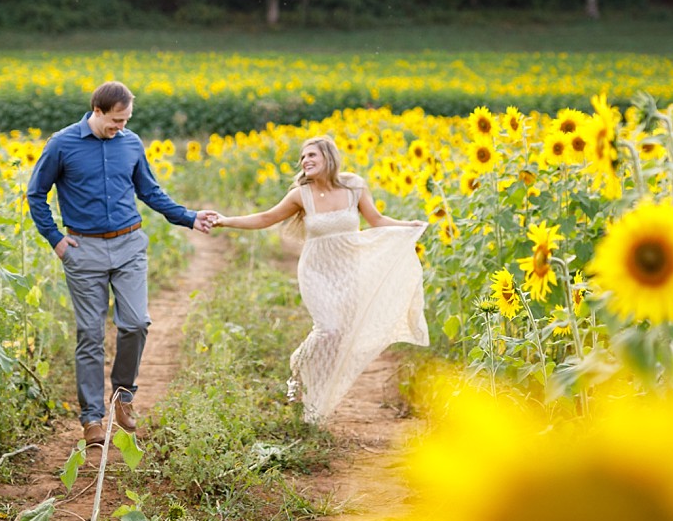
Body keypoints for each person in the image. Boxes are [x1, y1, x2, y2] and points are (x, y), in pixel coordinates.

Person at [26, 81, 219, 450]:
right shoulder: (62, 144)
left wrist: (189, 217)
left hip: (130, 245)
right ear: (97, 112)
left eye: (126, 120)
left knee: (136, 323)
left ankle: (123, 395)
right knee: (90, 334)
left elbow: (149, 191)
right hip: (83, 250)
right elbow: (36, 194)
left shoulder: (130, 144)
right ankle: (92, 419)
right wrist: (56, 240)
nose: (122, 127)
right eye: (116, 120)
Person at [213, 136, 428, 423]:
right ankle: (298, 364)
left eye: (312, 155)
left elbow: (376, 220)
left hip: (349, 271)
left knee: (339, 337)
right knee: (328, 329)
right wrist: (225, 220)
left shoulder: (353, 186)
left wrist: (408, 227)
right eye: (302, 157)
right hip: (316, 271)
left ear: (329, 157)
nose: (305, 161)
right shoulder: (301, 194)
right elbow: (266, 218)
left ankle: (316, 401)